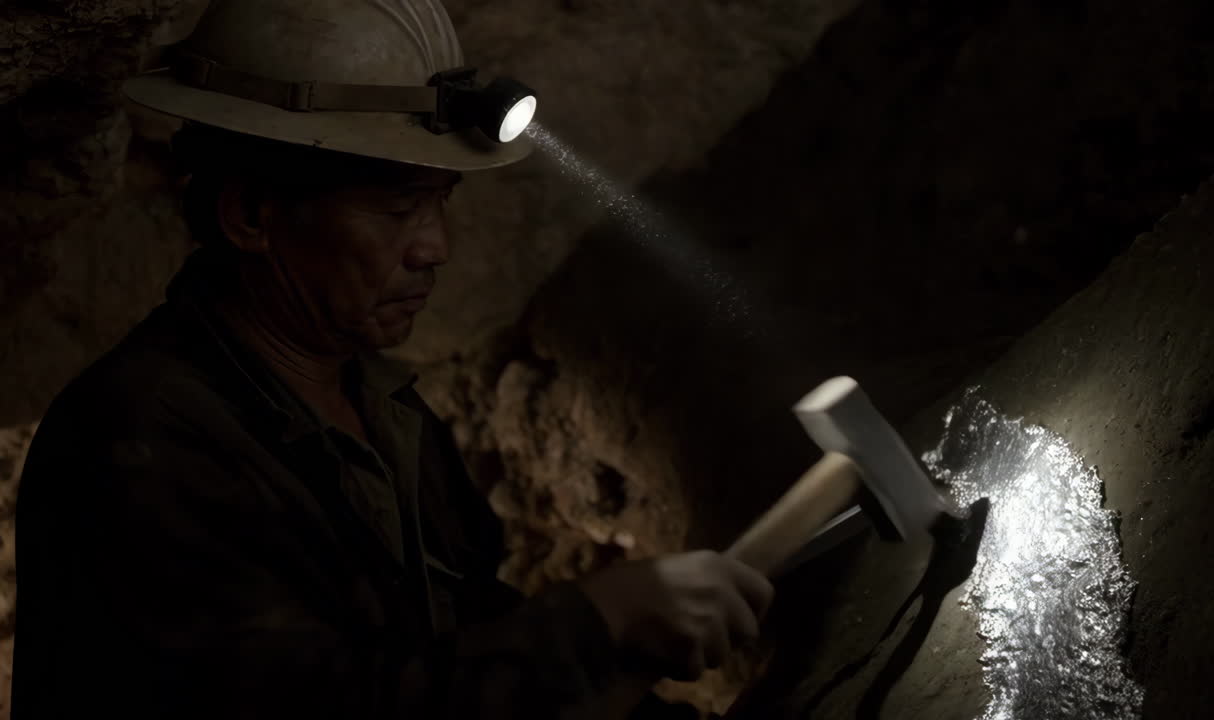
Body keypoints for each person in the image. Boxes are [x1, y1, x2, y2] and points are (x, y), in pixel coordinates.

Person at [11, 1, 773, 718]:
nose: (434, 247)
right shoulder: (138, 447)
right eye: (397, 208)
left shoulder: (383, 412)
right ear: (250, 213)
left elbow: (464, 643)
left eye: (441, 201)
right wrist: (593, 624)